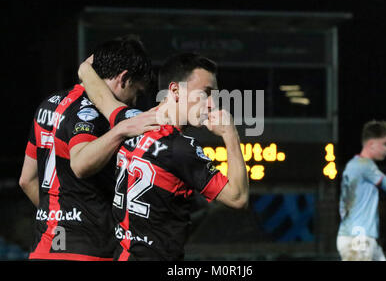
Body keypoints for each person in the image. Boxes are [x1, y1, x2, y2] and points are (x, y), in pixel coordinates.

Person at [78, 52, 249, 261]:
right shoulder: (182, 149)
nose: (212, 104)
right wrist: (230, 133)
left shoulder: (130, 122)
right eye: (206, 93)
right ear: (175, 90)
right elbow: (238, 197)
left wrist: (85, 69)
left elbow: (101, 96)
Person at [19, 35, 159, 261]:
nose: (134, 103)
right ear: (123, 78)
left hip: (44, 247)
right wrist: (121, 129)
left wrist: (61, 218)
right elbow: (81, 164)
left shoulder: (48, 105)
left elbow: (26, 180)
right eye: (137, 93)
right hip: (88, 250)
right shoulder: (91, 112)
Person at [337, 120, 386, 261]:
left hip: (355, 235)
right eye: (385, 144)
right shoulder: (366, 165)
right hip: (359, 237)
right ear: (371, 144)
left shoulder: (352, 165)